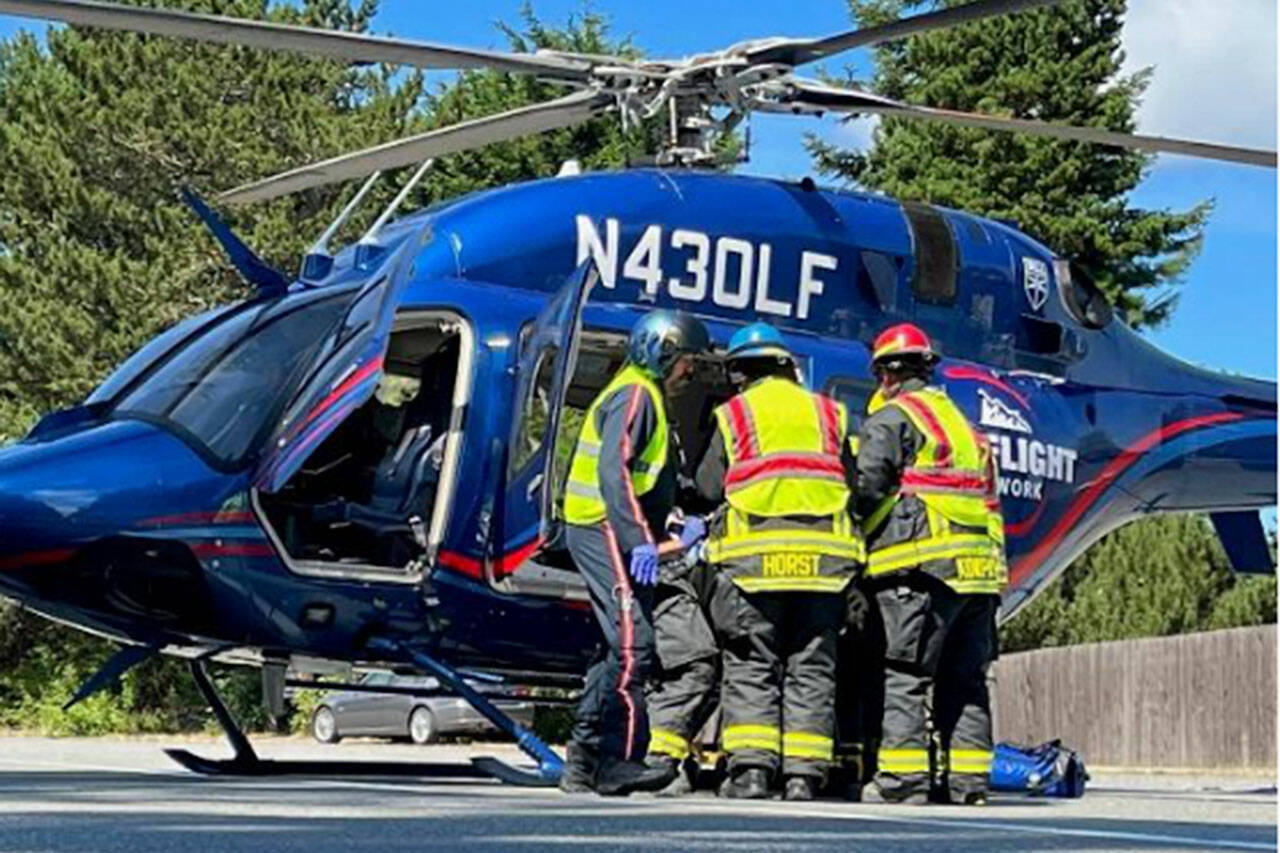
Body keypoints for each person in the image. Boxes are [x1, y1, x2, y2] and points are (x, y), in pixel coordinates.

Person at [695, 322, 864, 801]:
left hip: (755, 565)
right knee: (812, 667)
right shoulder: (830, 414)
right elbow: (851, 486)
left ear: (740, 373)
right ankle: (803, 777)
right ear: (788, 366)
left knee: (753, 663)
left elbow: (709, 490)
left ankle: (751, 773)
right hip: (825, 567)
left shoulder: (735, 416)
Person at [558, 309, 711, 796]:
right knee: (634, 646)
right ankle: (616, 761)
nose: (690, 371)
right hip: (601, 524)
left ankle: (581, 763)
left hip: (611, 525)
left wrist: (669, 521)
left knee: (613, 648)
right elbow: (614, 472)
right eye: (686, 361)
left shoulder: (646, 396)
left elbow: (644, 477)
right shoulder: (636, 394)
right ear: (662, 352)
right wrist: (639, 539)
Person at [856, 323, 1007, 805]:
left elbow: (868, 488)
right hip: (978, 575)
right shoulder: (965, 427)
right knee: (965, 683)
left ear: (885, 375)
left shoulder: (894, 418)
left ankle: (903, 782)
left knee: (906, 675)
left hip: (919, 569)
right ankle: (968, 785)